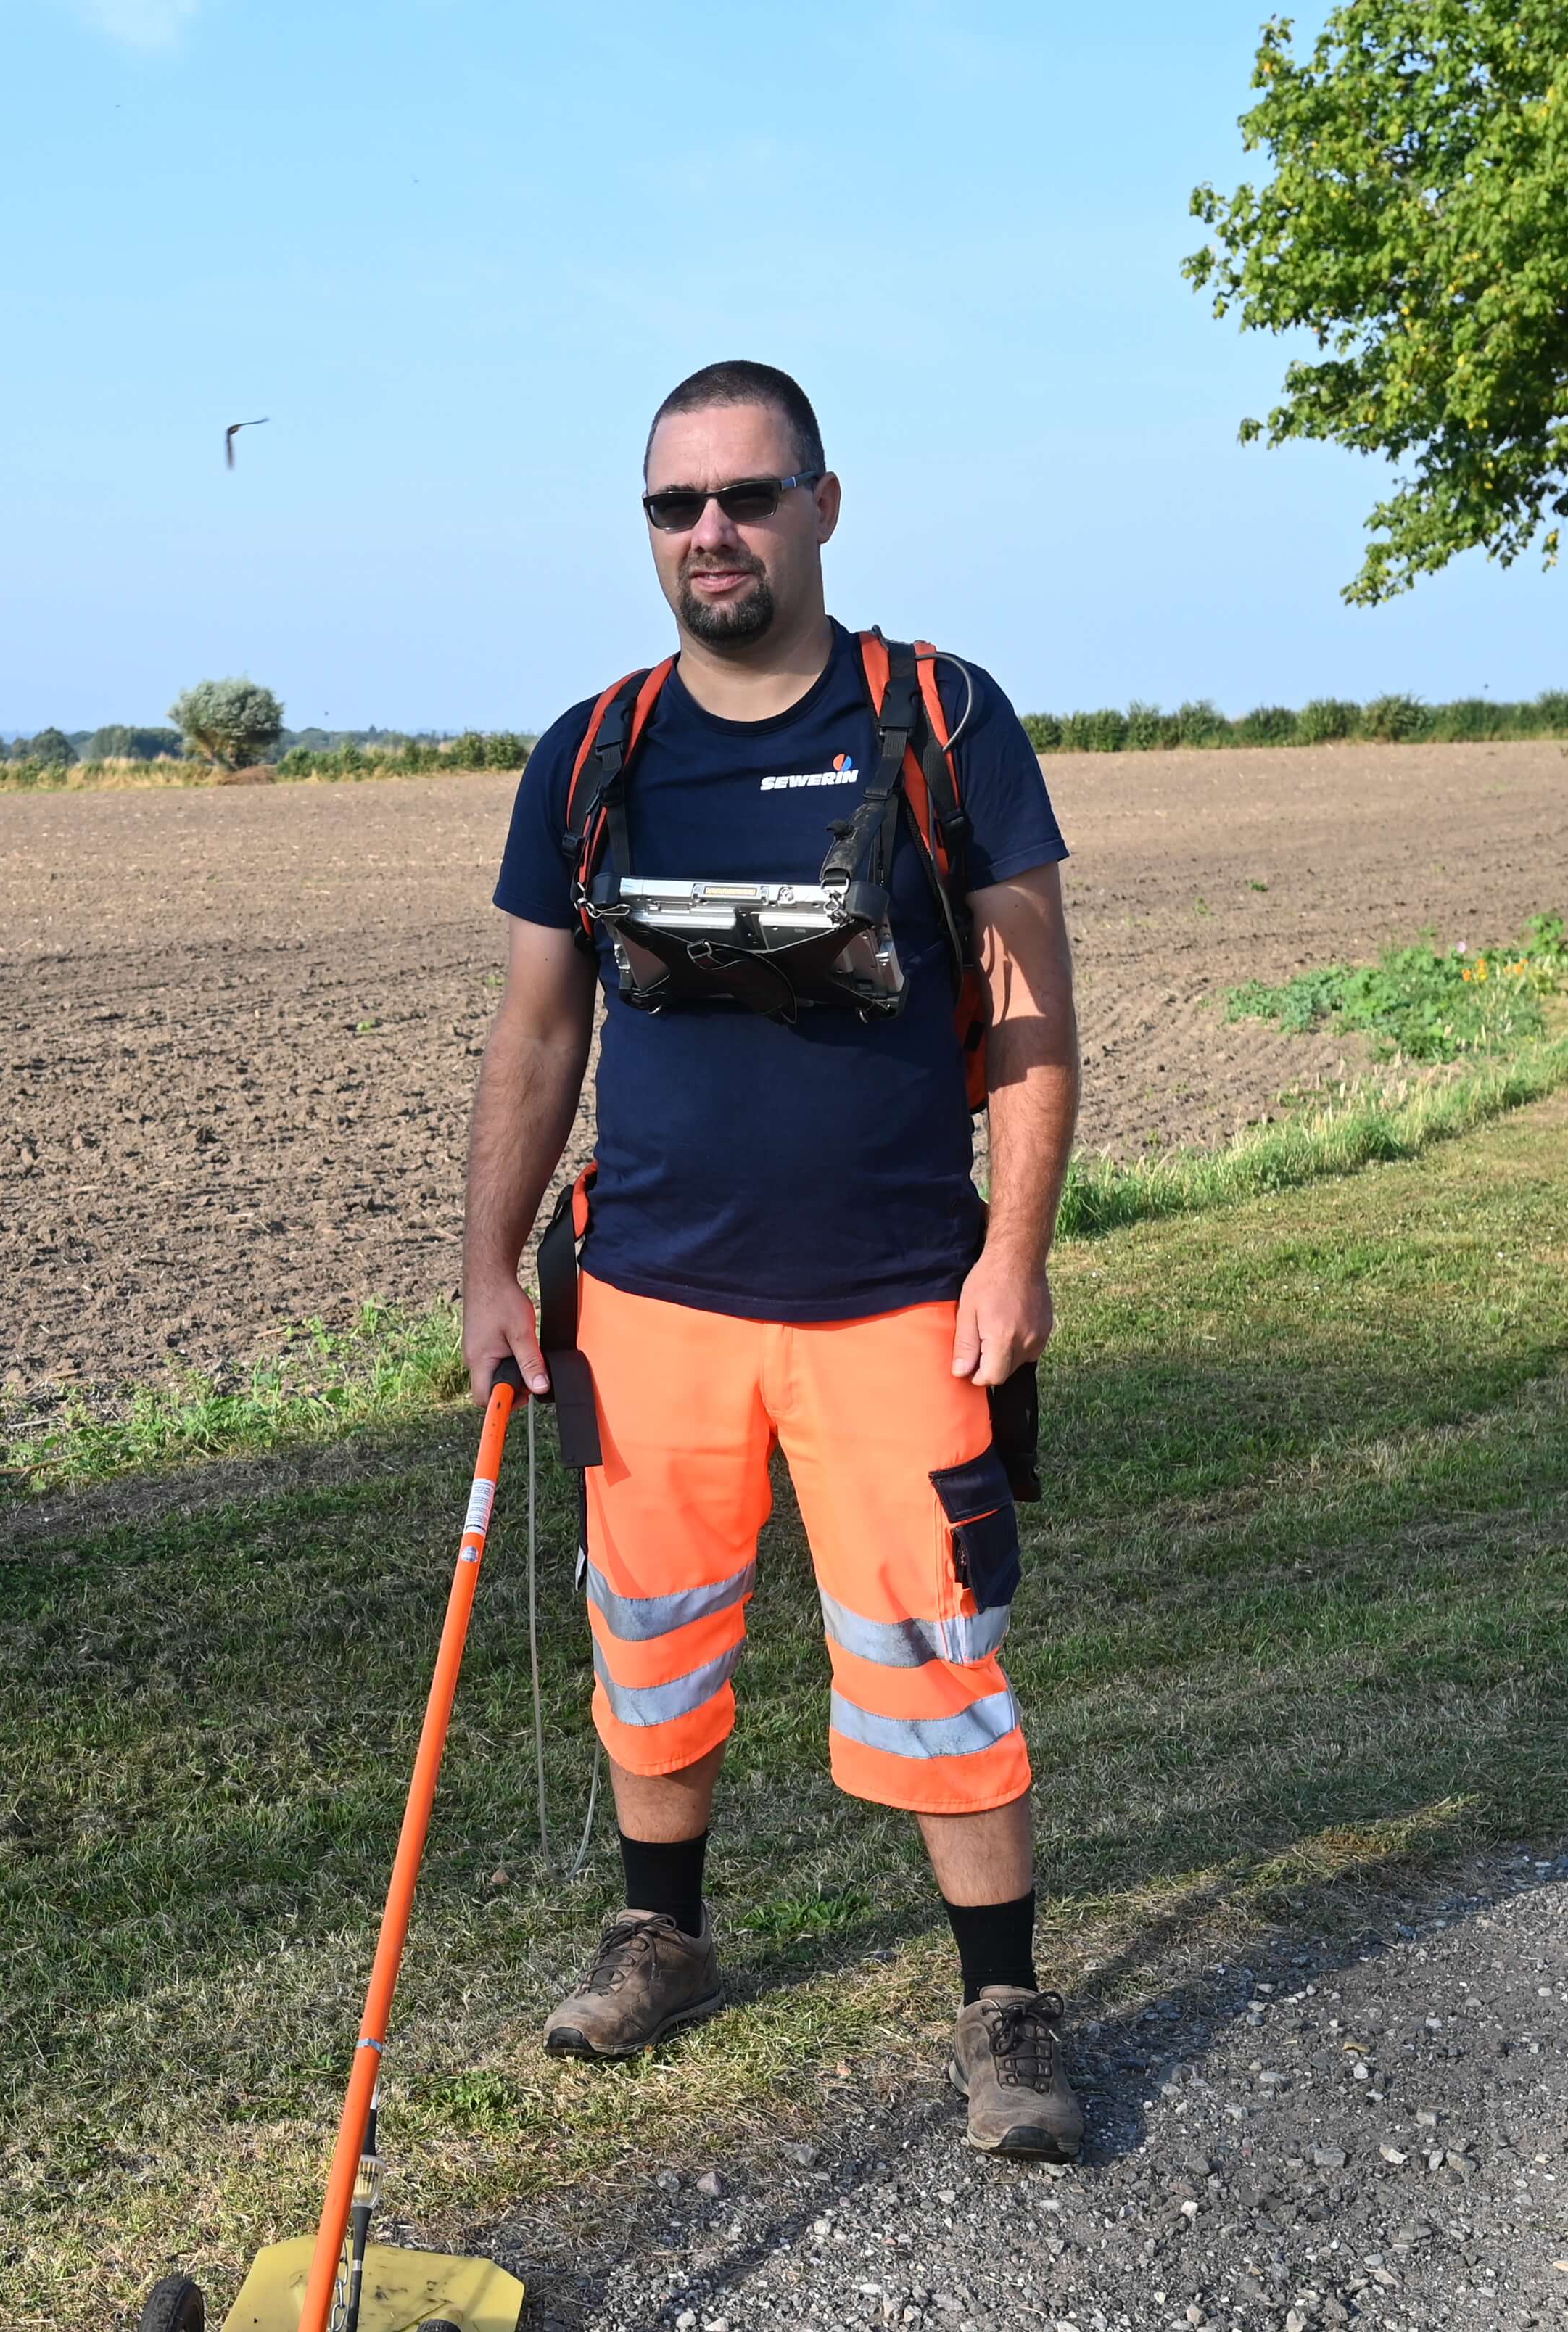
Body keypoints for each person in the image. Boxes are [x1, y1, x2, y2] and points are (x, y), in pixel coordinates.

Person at [456, 358, 1085, 2159]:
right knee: (649, 1641)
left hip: (899, 1299)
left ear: (822, 503)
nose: (711, 532)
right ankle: (664, 1931)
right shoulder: (594, 754)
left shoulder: (937, 716)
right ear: (650, 532)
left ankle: (1005, 2000)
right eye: (676, 505)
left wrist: (1016, 1252)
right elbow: (534, 1032)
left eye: (746, 495)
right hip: (645, 1305)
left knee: (936, 1655)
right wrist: (493, 1265)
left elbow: (1033, 999)